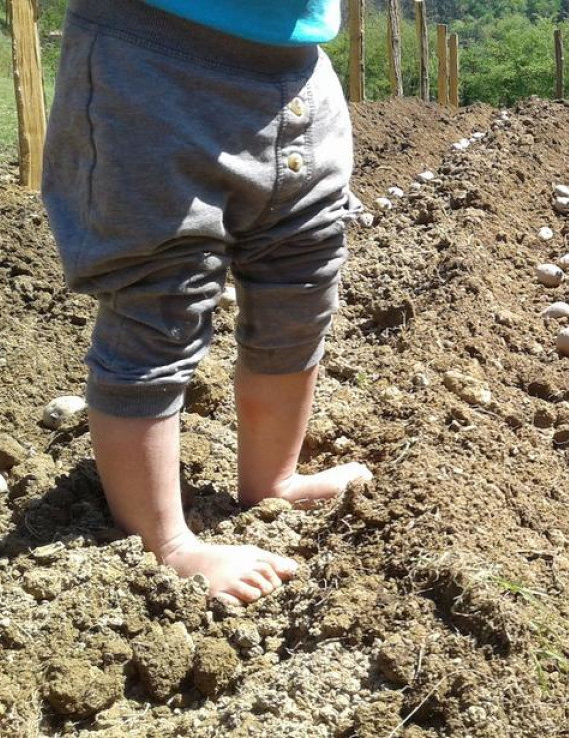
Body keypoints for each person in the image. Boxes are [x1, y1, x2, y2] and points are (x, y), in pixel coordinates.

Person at [42, 0, 371, 605]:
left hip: (301, 71)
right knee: (159, 304)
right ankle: (162, 542)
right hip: (152, 64)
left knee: (301, 293)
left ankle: (273, 479)